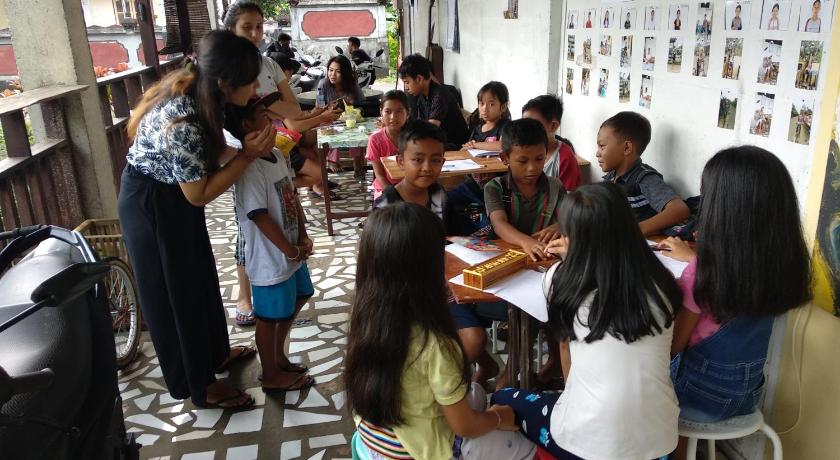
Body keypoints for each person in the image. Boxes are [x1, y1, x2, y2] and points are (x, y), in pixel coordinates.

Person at [118, 30, 275, 410]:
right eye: (251, 80)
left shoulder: (205, 96)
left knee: (200, 277)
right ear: (225, 82)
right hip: (153, 204)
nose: (256, 87)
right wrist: (248, 156)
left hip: (173, 197)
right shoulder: (183, 119)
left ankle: (215, 355)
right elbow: (199, 193)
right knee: (177, 295)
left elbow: (212, 153)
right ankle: (199, 385)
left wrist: (244, 150)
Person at [492, 182, 682, 460]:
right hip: (660, 442)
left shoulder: (559, 279)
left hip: (586, 445)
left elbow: (565, 348)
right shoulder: (663, 281)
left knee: (502, 397)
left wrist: (570, 259)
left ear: (573, 236)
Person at [345, 203, 535, 460]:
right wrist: (498, 417)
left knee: (476, 393)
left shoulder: (365, 320)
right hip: (421, 452)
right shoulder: (435, 343)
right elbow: (465, 426)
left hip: (372, 445)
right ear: (428, 269)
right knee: (525, 444)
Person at [658, 147, 811, 458]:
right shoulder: (781, 266)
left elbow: (672, 347)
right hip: (746, 396)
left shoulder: (701, 273)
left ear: (721, 211)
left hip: (697, 399)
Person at [225, 1, 340, 327]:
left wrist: (304, 114)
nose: (255, 34)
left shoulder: (268, 65)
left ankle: (287, 274)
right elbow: (280, 114)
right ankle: (246, 295)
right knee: (250, 228)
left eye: (259, 27)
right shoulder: (227, 70)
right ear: (231, 30)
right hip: (248, 156)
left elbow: (292, 112)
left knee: (284, 209)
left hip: (278, 150)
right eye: (247, 27)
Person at [227, 96, 316, 392]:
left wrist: (302, 235)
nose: (271, 122)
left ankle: (278, 356)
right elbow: (259, 215)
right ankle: (270, 373)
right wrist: (289, 249)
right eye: (263, 117)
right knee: (268, 317)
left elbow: (292, 195)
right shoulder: (249, 168)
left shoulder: (277, 154)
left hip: (290, 251)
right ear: (246, 126)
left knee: (301, 294)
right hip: (270, 258)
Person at [597, 111, 690, 235]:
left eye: (602, 146)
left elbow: (680, 209)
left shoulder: (644, 178)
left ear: (627, 148)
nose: (597, 153)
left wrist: (636, 230)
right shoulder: (610, 177)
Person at [485, 118, 565, 262]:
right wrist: (527, 242)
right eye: (523, 161)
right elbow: (499, 224)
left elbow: (571, 218)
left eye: (539, 159)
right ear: (504, 158)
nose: (532, 168)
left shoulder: (555, 187)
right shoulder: (495, 188)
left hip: (542, 257)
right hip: (504, 258)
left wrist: (562, 225)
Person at [446, 81, 511, 237]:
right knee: (447, 201)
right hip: (473, 184)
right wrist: (468, 148)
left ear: (503, 107)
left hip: (495, 188)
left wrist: (476, 145)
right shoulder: (477, 129)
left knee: (490, 225)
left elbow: (503, 145)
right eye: (481, 103)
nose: (484, 108)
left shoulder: (506, 127)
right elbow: (467, 150)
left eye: (491, 104)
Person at [373, 120, 447, 218]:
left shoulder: (439, 194)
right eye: (418, 160)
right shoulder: (385, 206)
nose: (427, 168)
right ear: (401, 162)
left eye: (435, 160)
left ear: (442, 163)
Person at [399, 54, 470, 150]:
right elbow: (420, 126)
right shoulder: (422, 96)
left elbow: (429, 130)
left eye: (407, 82)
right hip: (440, 142)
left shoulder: (440, 95)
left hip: (457, 146)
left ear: (419, 79)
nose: (406, 87)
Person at [522, 95, 580, 192]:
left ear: (553, 126)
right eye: (524, 125)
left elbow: (568, 197)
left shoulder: (565, 157)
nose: (525, 131)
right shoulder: (522, 149)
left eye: (533, 125)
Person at [367, 90, 410, 200]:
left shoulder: (415, 138)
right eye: (388, 111)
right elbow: (379, 175)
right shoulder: (375, 139)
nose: (393, 117)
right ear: (381, 112)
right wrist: (392, 194)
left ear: (408, 113)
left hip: (411, 186)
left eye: (399, 111)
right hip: (386, 187)